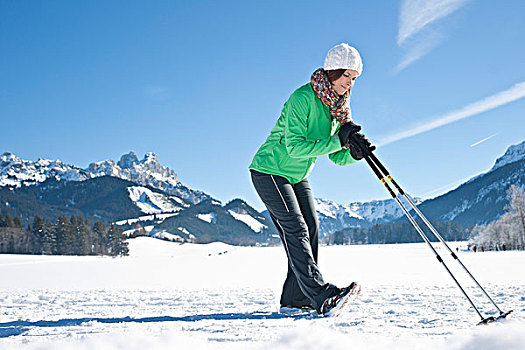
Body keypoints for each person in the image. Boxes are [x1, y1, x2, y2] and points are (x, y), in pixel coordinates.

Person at [249, 43, 373, 317]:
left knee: (312, 228)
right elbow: (294, 146)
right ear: (332, 72)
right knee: (296, 227)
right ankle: (321, 296)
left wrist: (354, 152)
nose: (350, 84)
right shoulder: (302, 98)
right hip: (270, 170)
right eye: (347, 76)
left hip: (297, 175)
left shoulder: (339, 109)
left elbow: (336, 157)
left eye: (355, 79)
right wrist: (336, 140)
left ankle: (295, 298)